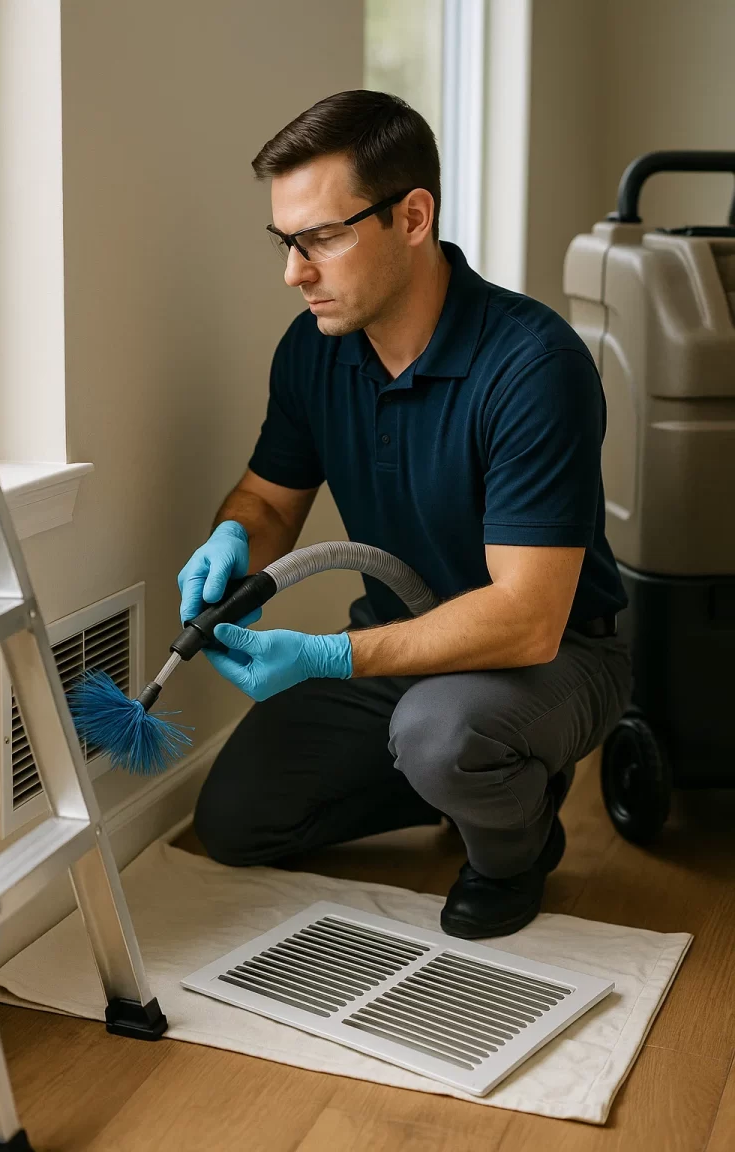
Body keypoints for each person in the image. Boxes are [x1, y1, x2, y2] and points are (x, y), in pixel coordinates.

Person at [180, 90, 632, 939]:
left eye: (322, 238)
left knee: (444, 735)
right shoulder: (314, 350)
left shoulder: (533, 365)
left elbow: (528, 619)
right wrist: (232, 539)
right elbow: (267, 499)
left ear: (413, 216)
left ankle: (515, 843)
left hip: (555, 656)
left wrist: (327, 656)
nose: (295, 273)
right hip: (402, 649)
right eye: (286, 242)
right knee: (237, 820)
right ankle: (481, 778)